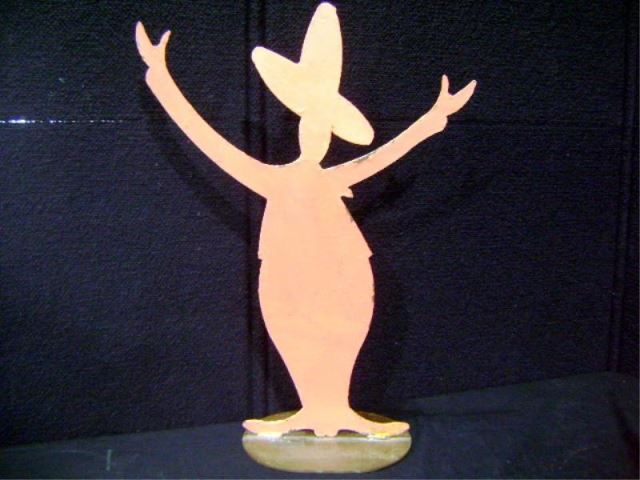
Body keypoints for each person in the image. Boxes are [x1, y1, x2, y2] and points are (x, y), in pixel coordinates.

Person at [136, 2, 476, 437]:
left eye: (325, 127)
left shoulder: (334, 178)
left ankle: (338, 409)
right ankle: (313, 410)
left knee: (345, 326)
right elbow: (208, 141)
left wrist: (433, 118)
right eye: (310, 124)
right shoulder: (272, 179)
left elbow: (384, 155)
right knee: (294, 328)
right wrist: (162, 80)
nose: (316, 134)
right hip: (286, 270)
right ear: (298, 129)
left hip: (345, 267)